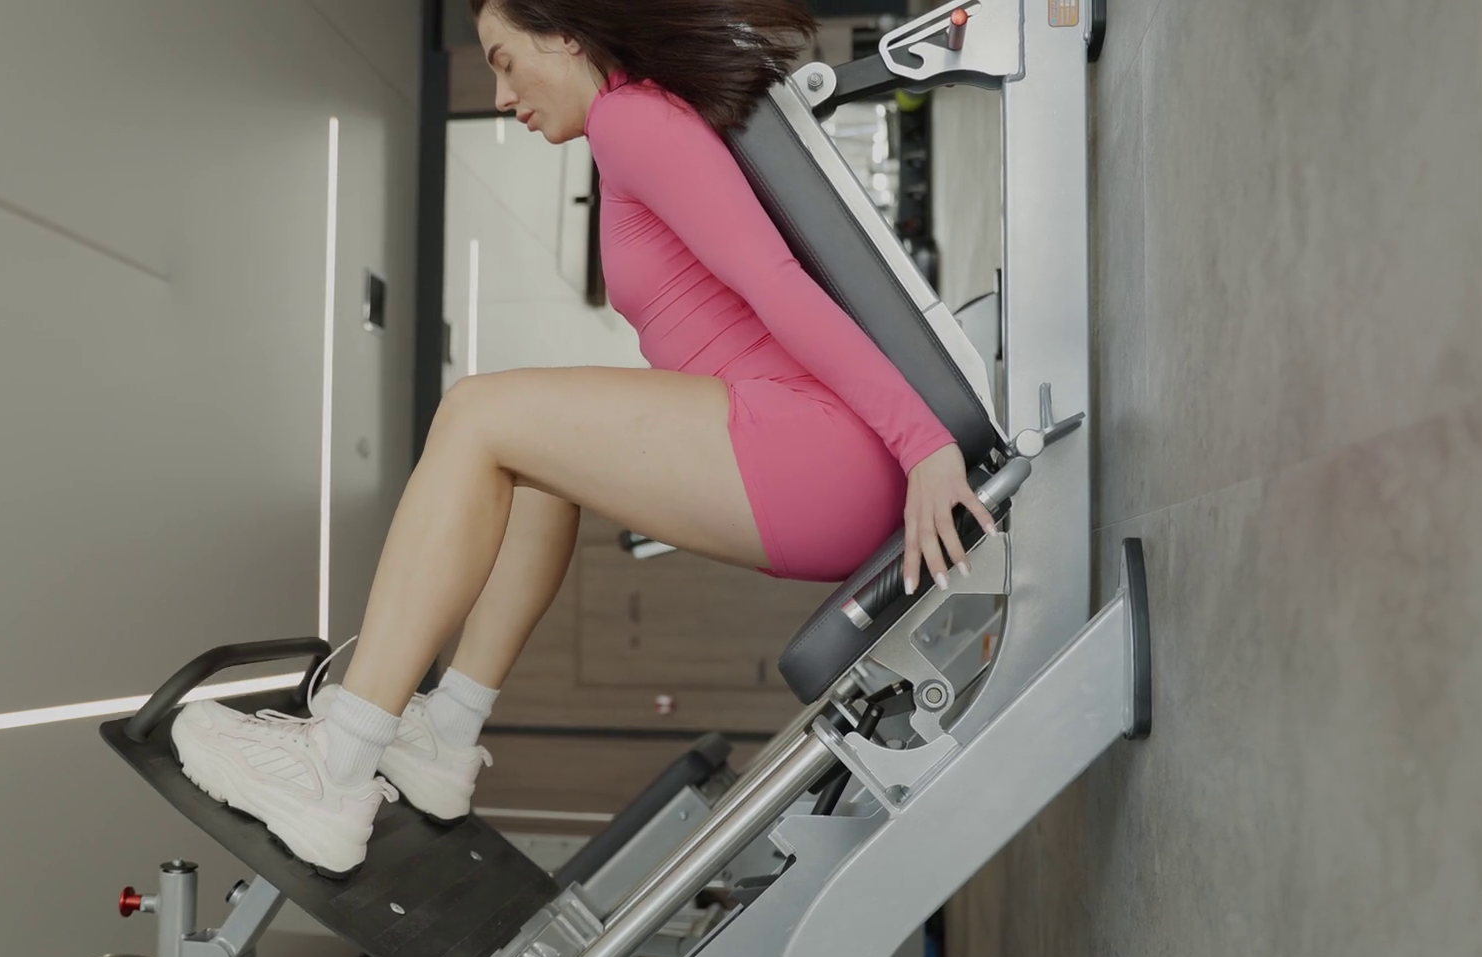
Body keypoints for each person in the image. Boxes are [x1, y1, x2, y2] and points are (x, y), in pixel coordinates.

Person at [170, 0, 997, 875]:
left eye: (504, 61)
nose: (502, 95)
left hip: (817, 452)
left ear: (565, 32)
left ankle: (335, 762)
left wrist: (922, 443)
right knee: (531, 465)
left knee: (477, 413)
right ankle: (446, 732)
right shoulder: (633, 122)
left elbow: (778, 284)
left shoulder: (632, 116)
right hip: (803, 452)